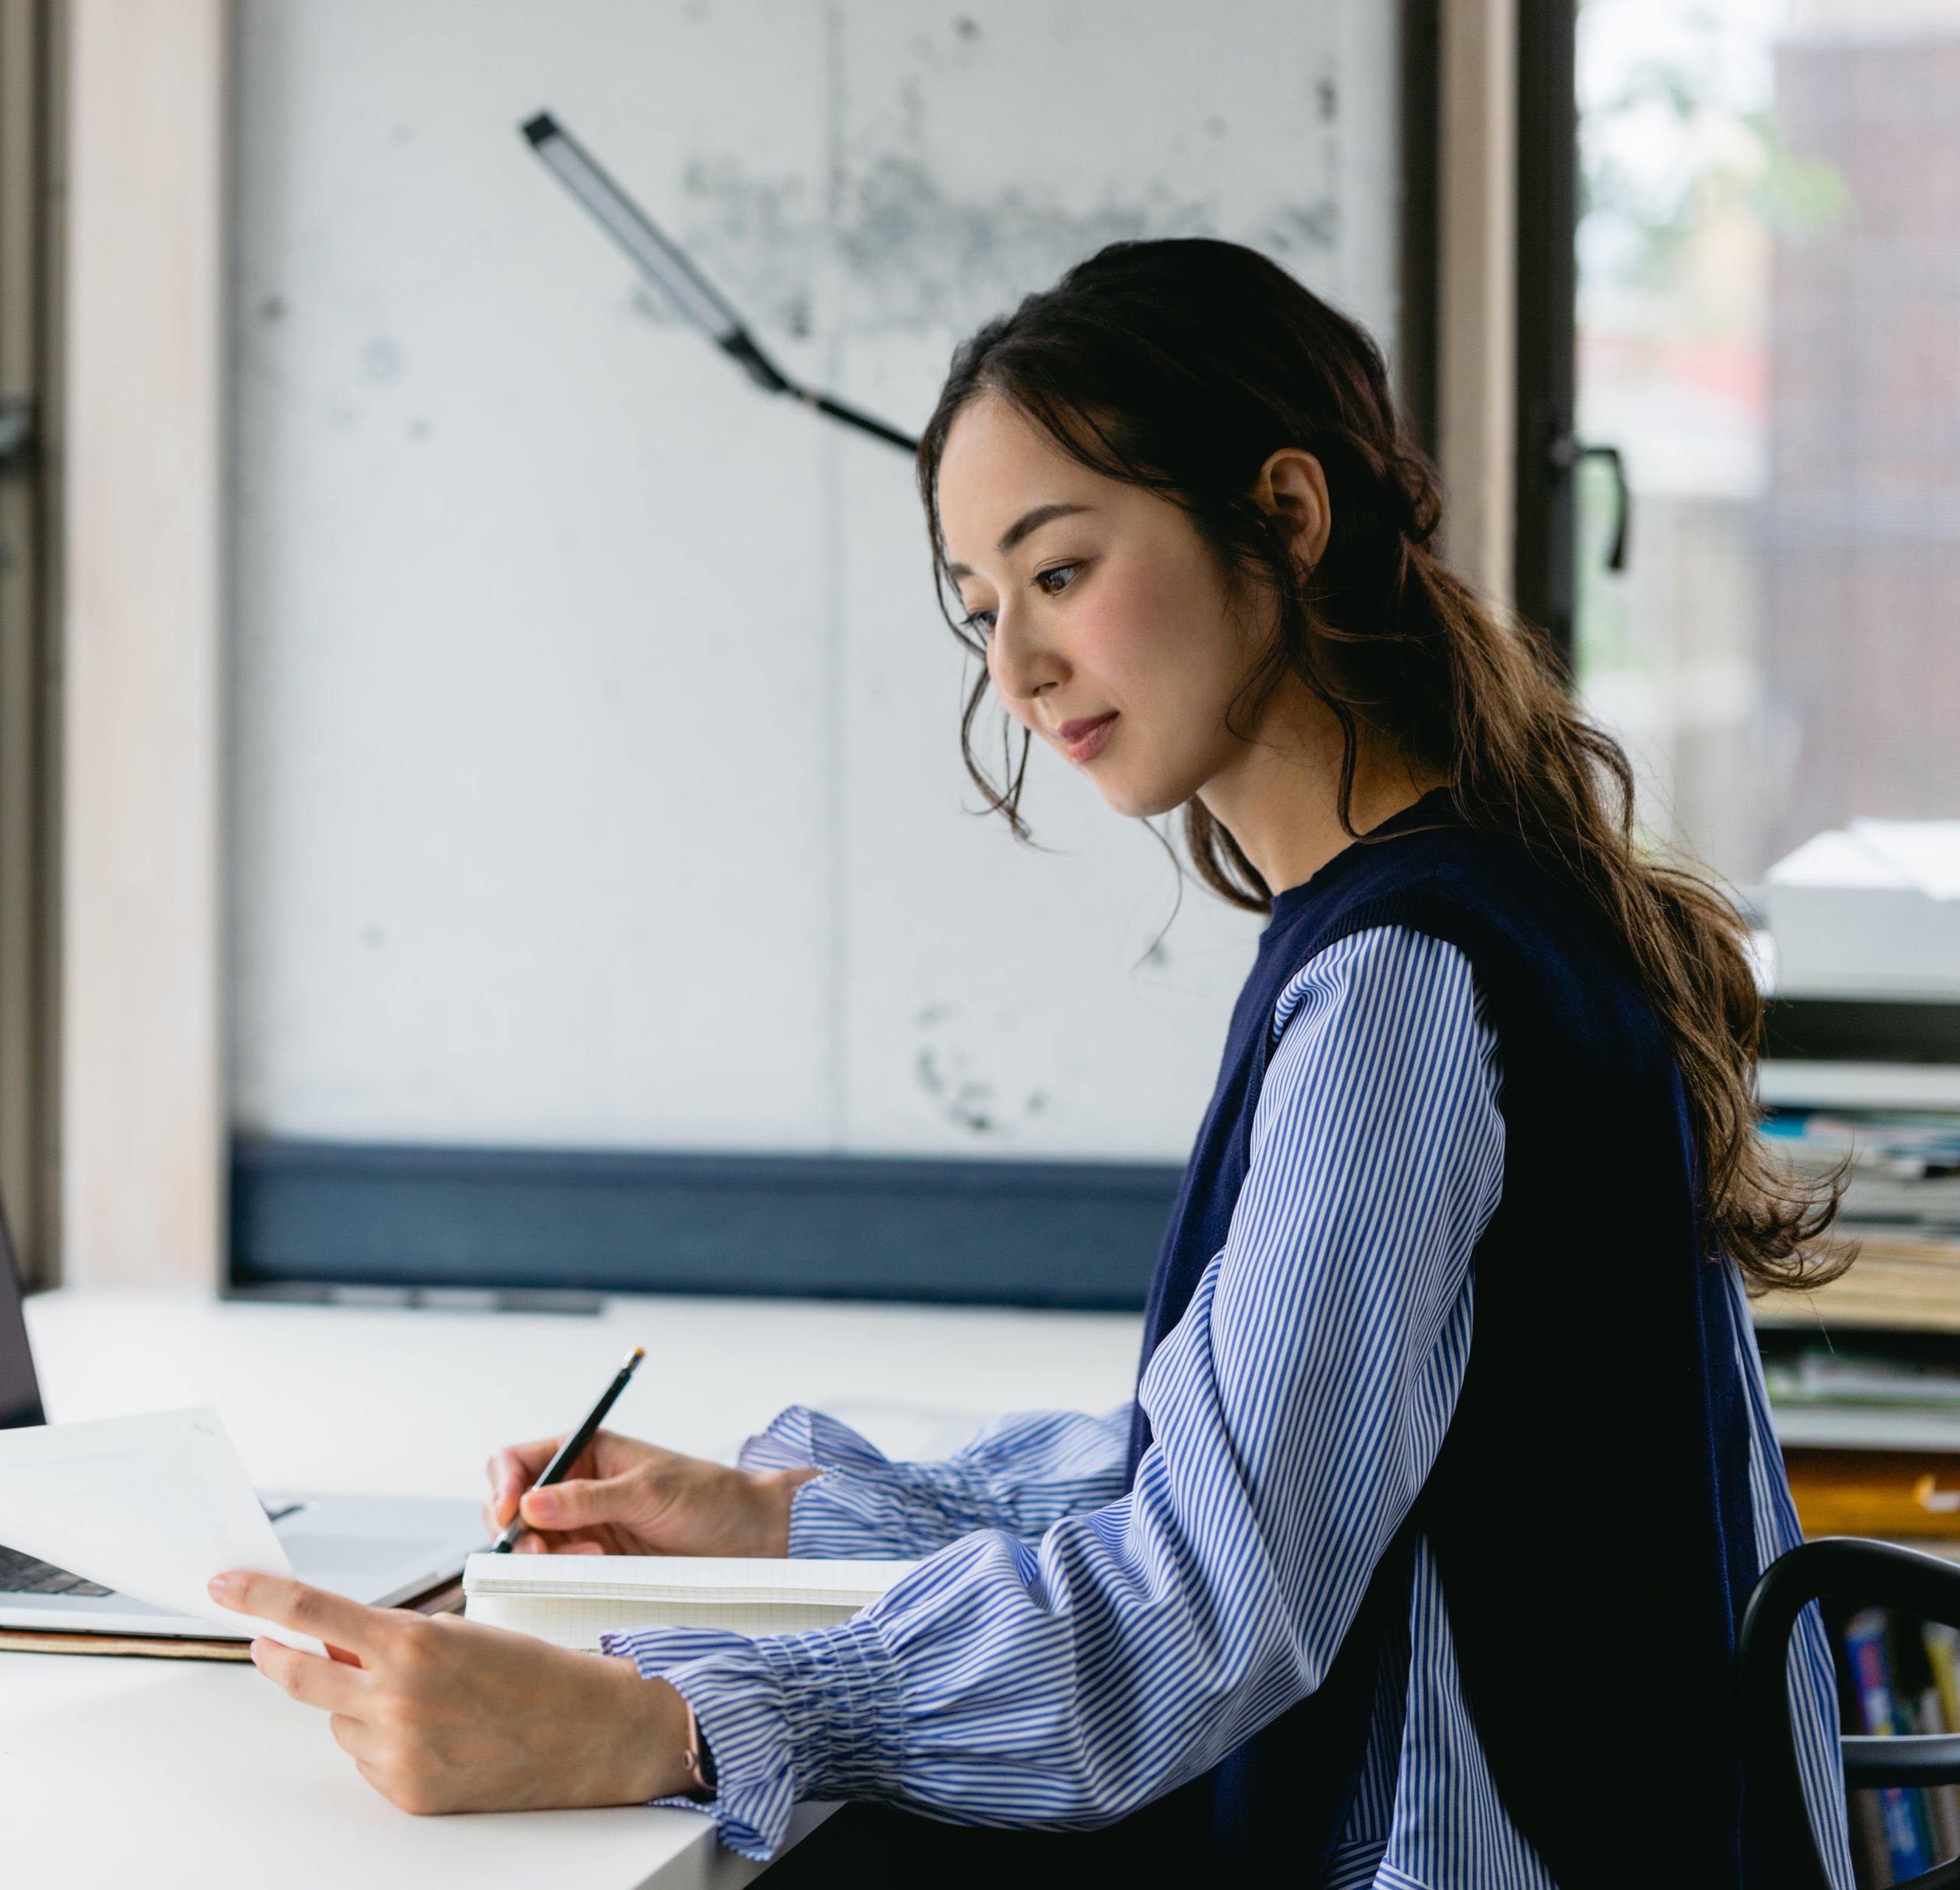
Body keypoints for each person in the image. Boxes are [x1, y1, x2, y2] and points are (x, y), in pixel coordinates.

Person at [209, 238, 1854, 1887]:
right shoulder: (1485, 901)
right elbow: (1240, 1455)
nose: (1016, 666)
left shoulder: (1400, 986)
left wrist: (670, 1718)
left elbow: (1208, 1598)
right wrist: (781, 1518)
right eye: (982, 606)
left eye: (1060, 571)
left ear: (1286, 514)